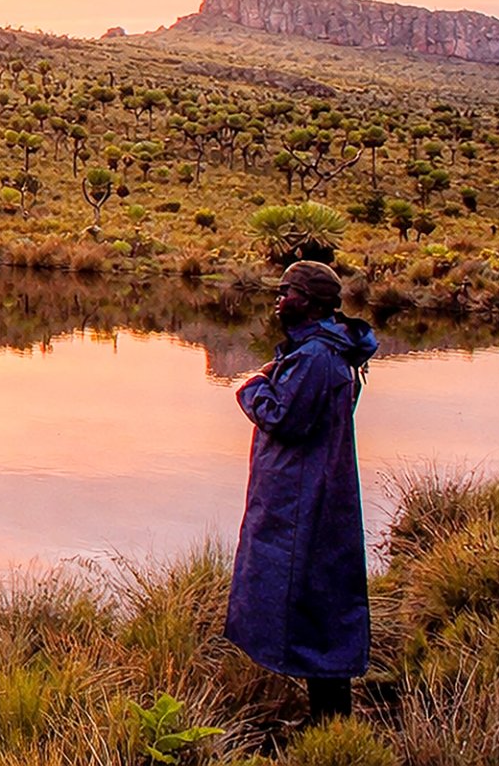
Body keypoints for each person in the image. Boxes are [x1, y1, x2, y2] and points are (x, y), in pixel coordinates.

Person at [226, 259, 378, 723]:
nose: (278, 299)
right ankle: (328, 719)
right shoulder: (326, 352)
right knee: (321, 605)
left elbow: (283, 417)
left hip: (302, 502)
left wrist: (251, 385)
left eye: (286, 291)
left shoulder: (314, 358)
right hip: (314, 494)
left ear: (308, 302)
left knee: (313, 602)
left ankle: (332, 724)